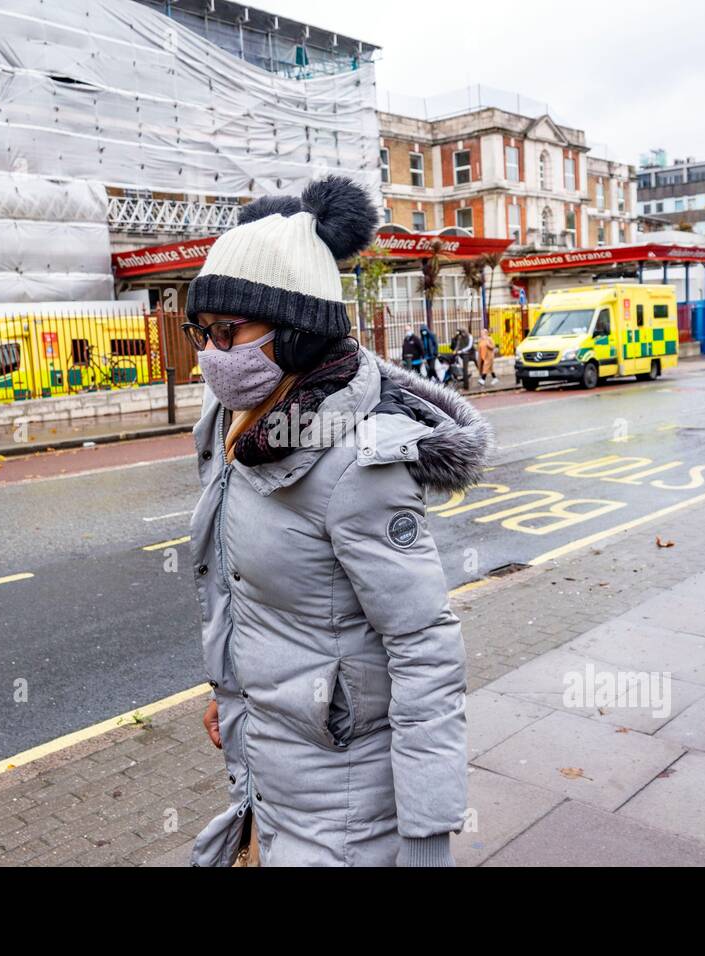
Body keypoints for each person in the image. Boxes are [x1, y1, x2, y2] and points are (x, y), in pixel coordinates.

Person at [180, 176, 491, 867]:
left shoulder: (355, 462)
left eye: (229, 332)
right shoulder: (231, 426)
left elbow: (425, 651)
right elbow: (246, 594)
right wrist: (235, 693)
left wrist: (425, 841)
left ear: (296, 332)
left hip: (347, 804)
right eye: (200, 331)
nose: (210, 352)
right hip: (266, 767)